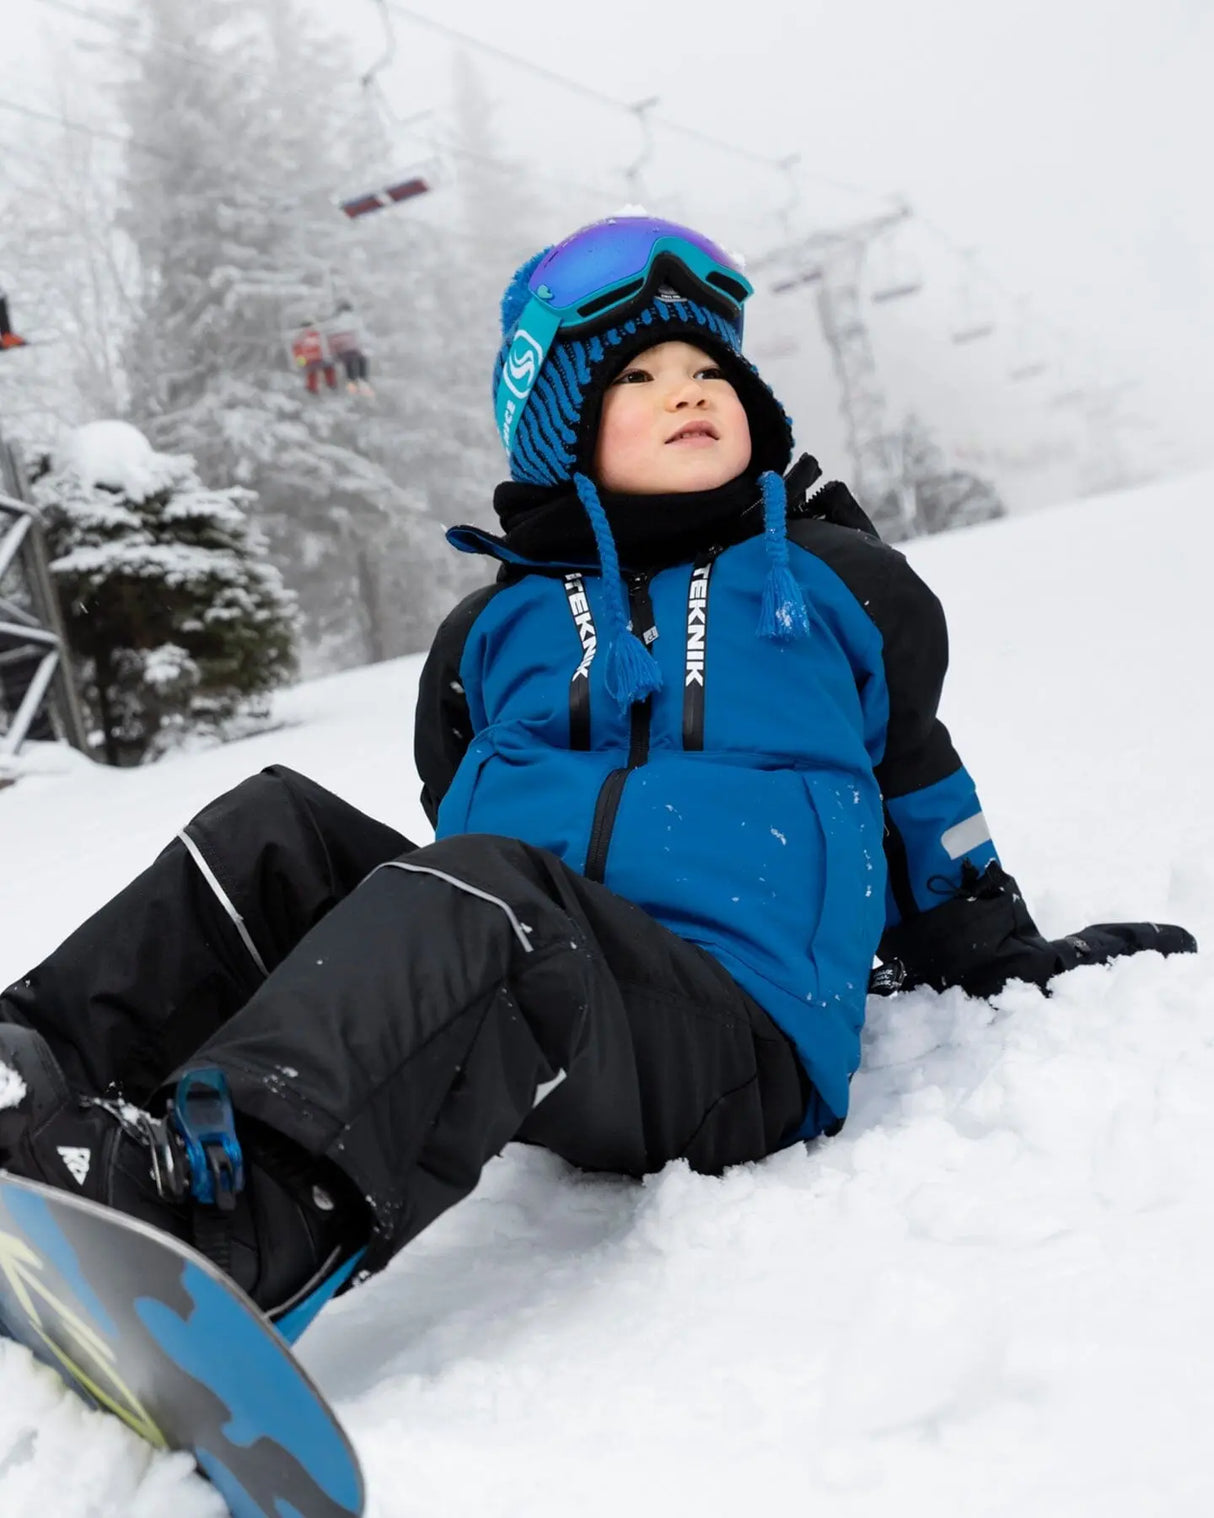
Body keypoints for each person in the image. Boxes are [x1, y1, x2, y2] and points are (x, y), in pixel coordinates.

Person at [0, 216, 1195, 1336]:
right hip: (546, 992)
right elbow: (446, 822)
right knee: (280, 832)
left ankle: (236, 1223)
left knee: (490, 897)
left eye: (708, 374)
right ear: (562, 426)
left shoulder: (828, 581)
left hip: (733, 1043)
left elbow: (918, 783)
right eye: (635, 377)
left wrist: (997, 946)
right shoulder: (488, 635)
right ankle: (29, 1078)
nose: (685, 389)